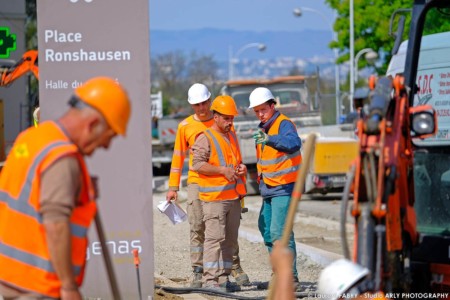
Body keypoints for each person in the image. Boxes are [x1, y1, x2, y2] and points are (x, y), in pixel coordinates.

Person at [0, 77, 131, 300]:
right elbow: (55, 224)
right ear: (92, 124)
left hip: (11, 277)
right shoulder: (62, 159)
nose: (106, 146)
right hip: (39, 287)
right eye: (108, 136)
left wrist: (78, 188)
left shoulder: (32, 138)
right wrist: (69, 287)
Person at [166, 83, 249, 288]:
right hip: (197, 179)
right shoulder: (185, 126)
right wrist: (173, 187)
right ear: (191, 105)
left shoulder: (223, 120)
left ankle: (232, 267)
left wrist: (239, 176)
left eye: (204, 103)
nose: (201, 108)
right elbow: (178, 157)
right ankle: (198, 270)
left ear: (210, 103)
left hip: (225, 182)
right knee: (198, 225)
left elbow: (234, 155)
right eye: (197, 105)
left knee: (228, 228)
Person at [248, 87, 302, 290]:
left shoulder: (283, 124)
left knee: (280, 231)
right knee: (266, 229)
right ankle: (280, 272)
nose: (260, 114)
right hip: (269, 188)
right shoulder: (263, 128)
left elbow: (293, 143)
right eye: (256, 111)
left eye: (263, 109)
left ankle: (291, 277)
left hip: (285, 187)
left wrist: (270, 140)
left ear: (272, 105)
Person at [191, 95, 247, 292]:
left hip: (232, 197)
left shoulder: (231, 135)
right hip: (214, 199)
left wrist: (240, 169)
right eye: (226, 118)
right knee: (214, 240)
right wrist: (223, 171)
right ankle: (210, 281)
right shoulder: (205, 138)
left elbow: (234, 161)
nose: (230, 121)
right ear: (215, 117)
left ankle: (223, 278)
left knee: (229, 240)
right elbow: (197, 164)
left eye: (232, 118)